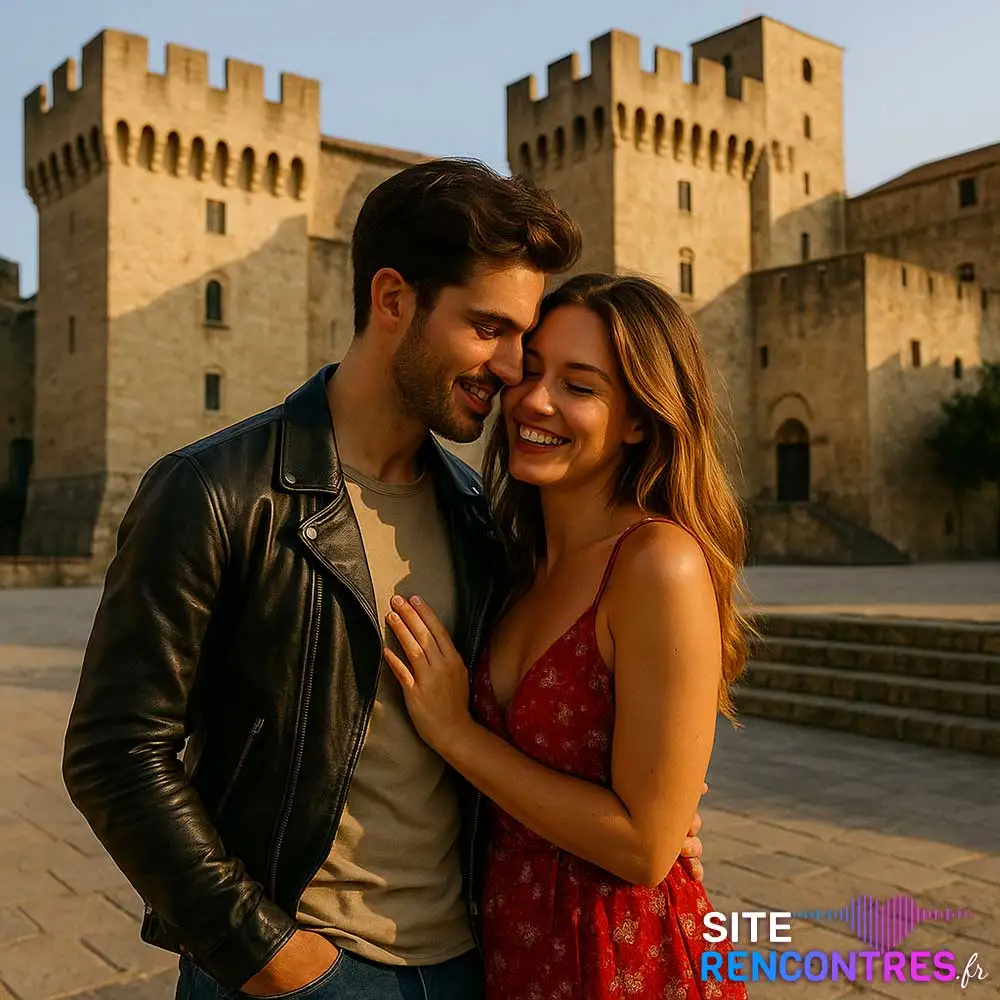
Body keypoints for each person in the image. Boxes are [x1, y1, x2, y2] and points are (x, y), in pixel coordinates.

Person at [62, 160, 708, 1000]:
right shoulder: (219, 492)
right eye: (489, 329)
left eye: (526, 338)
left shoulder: (481, 516)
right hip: (299, 970)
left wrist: (649, 811)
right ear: (394, 299)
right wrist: (270, 957)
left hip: (478, 962)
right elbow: (115, 754)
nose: (513, 370)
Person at [383, 272, 751, 999]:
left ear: (641, 419)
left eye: (580, 386)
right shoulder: (512, 561)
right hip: (513, 949)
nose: (535, 401)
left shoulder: (657, 563)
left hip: (623, 957)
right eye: (532, 371)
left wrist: (456, 732)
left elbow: (646, 850)